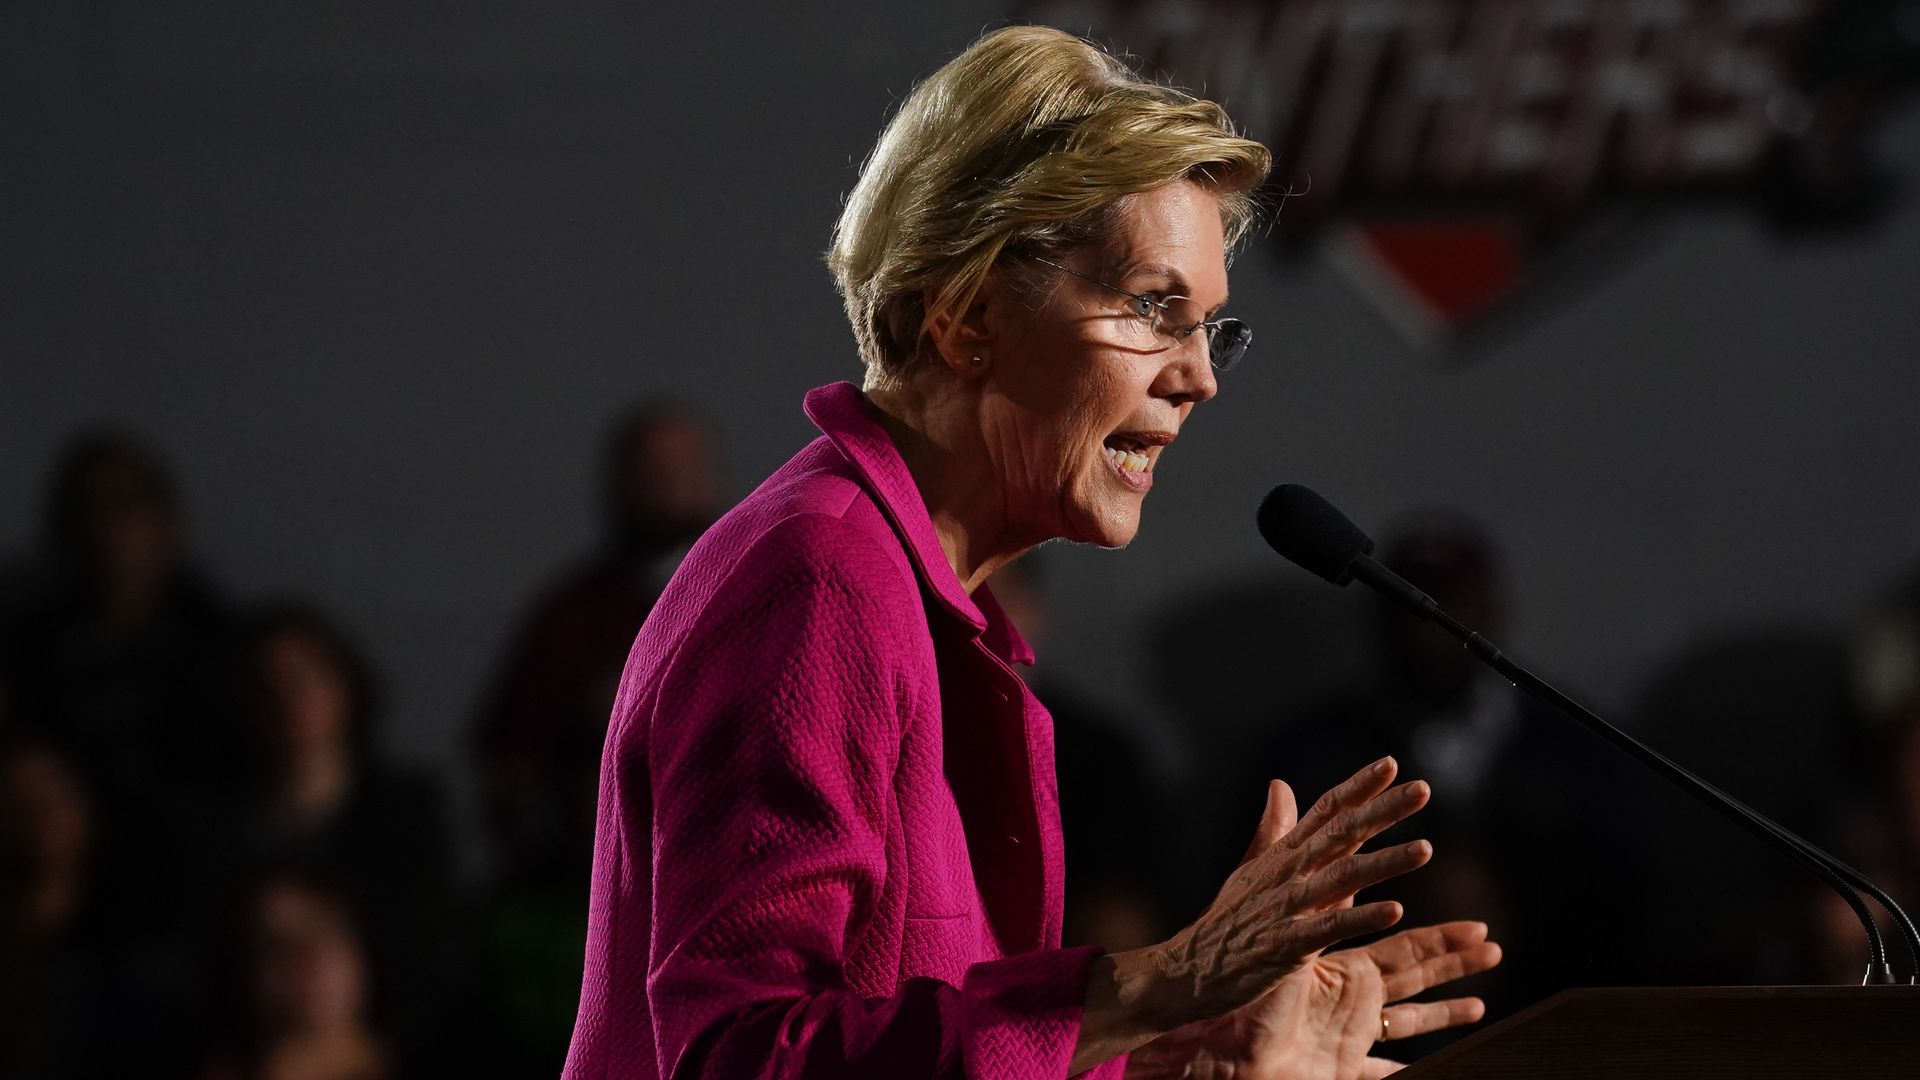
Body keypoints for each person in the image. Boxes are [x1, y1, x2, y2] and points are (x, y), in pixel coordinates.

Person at [563, 26, 1501, 1080]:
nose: (1200, 379)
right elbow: (738, 1057)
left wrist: (1193, 1066)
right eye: (1154, 309)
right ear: (968, 317)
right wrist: (1163, 982)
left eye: (1211, 329)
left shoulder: (909, 591)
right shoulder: (819, 581)